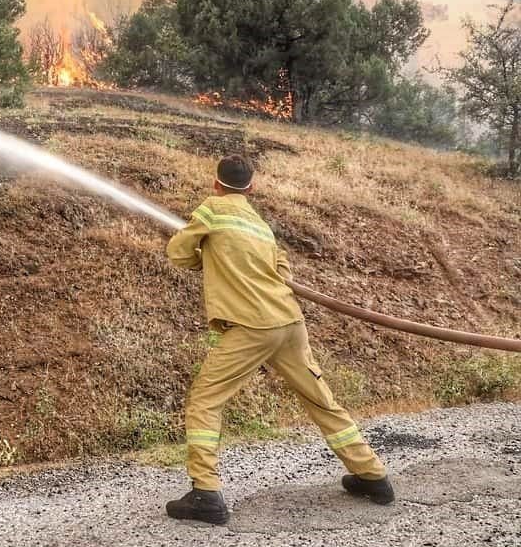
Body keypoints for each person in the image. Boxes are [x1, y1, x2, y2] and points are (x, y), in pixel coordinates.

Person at [164, 154, 393, 526]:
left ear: (216, 183)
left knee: (205, 402)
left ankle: (206, 494)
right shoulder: (259, 224)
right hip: (289, 322)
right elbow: (282, 269)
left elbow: (177, 252)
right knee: (322, 400)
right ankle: (372, 476)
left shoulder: (212, 209)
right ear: (251, 188)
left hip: (251, 327)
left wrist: (205, 258)